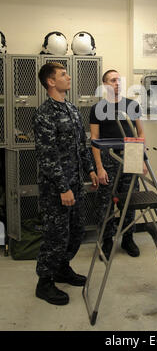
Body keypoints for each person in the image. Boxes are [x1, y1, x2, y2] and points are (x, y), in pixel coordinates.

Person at [33, 62, 99, 306]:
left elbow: (81, 144)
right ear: (51, 82)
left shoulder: (71, 109)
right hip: (56, 188)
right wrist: (63, 188)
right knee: (56, 236)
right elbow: (47, 156)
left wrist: (90, 169)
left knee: (77, 231)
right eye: (63, 75)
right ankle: (45, 281)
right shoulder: (44, 114)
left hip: (76, 183)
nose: (68, 77)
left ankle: (62, 268)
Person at [90, 69, 146, 260]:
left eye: (119, 80)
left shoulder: (131, 105)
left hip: (130, 157)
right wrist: (99, 167)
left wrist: (141, 159)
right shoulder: (98, 109)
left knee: (130, 200)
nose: (117, 83)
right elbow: (94, 139)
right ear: (105, 85)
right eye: (113, 80)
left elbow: (140, 133)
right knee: (105, 203)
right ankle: (107, 240)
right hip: (108, 159)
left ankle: (128, 238)